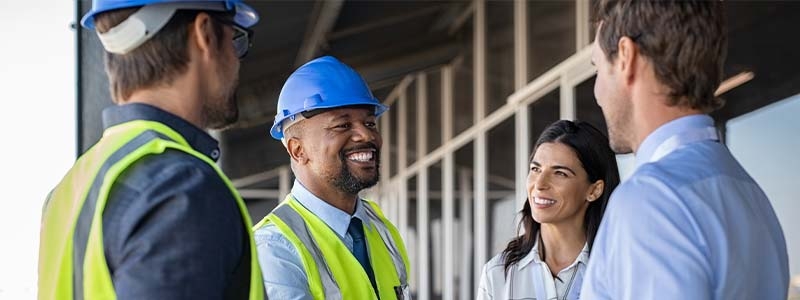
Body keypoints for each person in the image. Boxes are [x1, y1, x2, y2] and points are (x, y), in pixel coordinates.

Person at [38, 1, 264, 299]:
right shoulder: (181, 188)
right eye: (235, 39)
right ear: (205, 34)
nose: (237, 62)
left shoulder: (69, 189)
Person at [582, 1, 790, 299]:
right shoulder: (751, 196)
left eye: (598, 68)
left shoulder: (650, 201)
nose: (597, 92)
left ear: (626, 57)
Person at [253, 55, 411, 300]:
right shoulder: (275, 248)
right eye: (342, 126)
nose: (365, 136)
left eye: (369, 123)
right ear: (298, 150)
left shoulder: (379, 226)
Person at [478, 120, 620, 300]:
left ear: (594, 190)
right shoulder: (498, 273)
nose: (539, 184)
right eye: (535, 169)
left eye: (560, 173)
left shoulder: (619, 268)